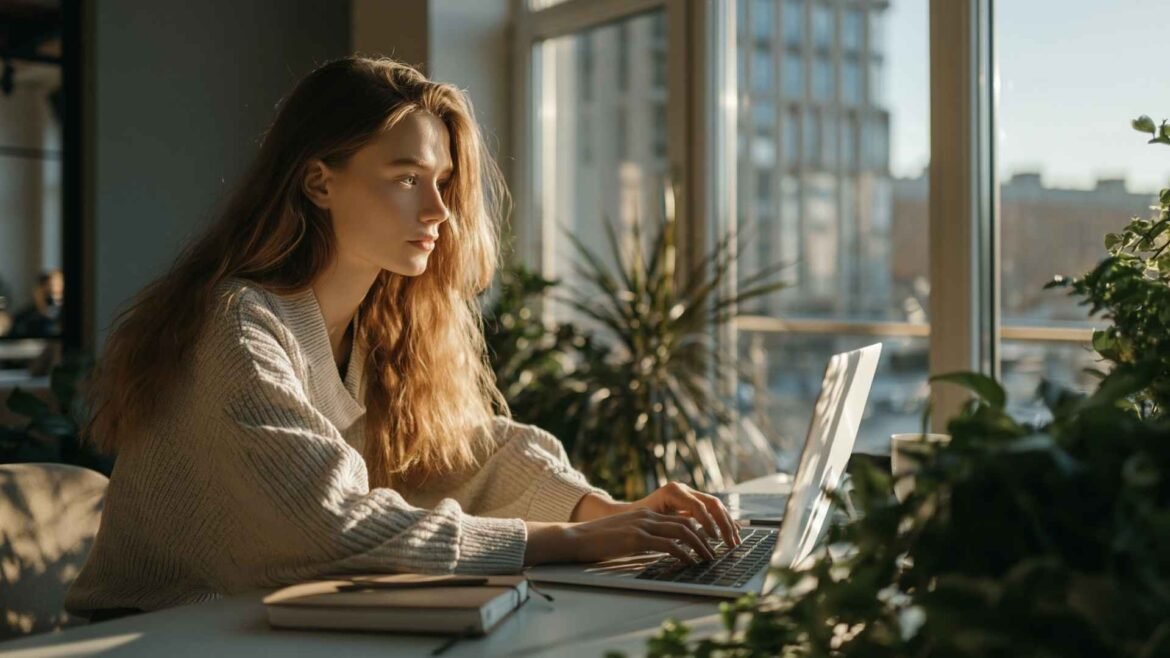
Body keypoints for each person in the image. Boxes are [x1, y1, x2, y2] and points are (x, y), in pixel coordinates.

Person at [65, 56, 740, 619]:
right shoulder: (235, 326)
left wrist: (613, 512)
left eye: (442, 182)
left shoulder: (380, 320)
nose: (439, 210)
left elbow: (465, 451)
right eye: (407, 179)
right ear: (318, 182)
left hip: (269, 626)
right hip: (160, 634)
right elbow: (327, 529)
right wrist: (576, 540)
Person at [10, 269, 64, 337]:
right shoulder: (28, 314)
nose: (53, 288)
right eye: (48, 284)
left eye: (58, 284)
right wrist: (41, 305)